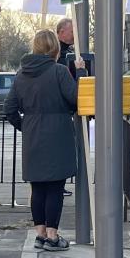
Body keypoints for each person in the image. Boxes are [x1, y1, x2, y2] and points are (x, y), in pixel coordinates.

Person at [3, 29, 85, 251]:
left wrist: (25, 126)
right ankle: (53, 236)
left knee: (38, 187)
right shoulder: (58, 71)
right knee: (55, 187)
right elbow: (76, 99)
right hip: (57, 133)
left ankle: (39, 234)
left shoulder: (21, 74)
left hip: (33, 134)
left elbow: (9, 109)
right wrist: (80, 73)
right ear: (55, 49)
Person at [56, 17, 75, 196]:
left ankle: (58, 185)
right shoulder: (59, 56)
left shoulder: (69, 51)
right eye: (72, 30)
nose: (74, 34)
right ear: (62, 32)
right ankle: (57, 186)